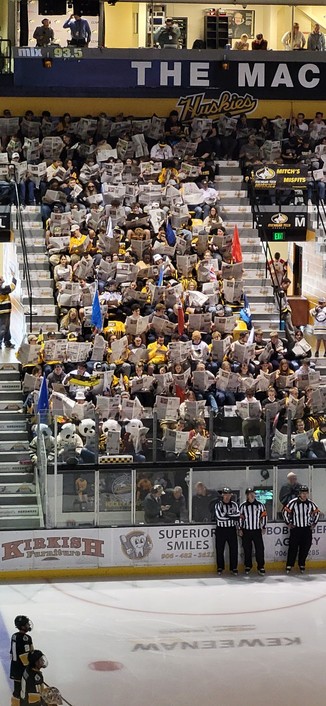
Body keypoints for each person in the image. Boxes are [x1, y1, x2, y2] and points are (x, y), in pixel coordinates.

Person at [283, 485, 320, 574]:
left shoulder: (310, 503)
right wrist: (288, 523)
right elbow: (285, 512)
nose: (304, 495)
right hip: (296, 529)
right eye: (302, 493)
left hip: (306, 529)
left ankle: (301, 564)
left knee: (305, 547)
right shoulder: (293, 502)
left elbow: (317, 512)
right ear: (299, 493)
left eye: (306, 493)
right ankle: (289, 564)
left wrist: (314, 523)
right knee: (293, 547)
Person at [239, 488, 267, 575]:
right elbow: (240, 518)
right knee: (247, 549)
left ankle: (261, 566)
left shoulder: (260, 505)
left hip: (256, 530)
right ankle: (248, 565)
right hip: (246, 530)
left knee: (260, 549)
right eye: (249, 493)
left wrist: (264, 526)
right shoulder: (243, 506)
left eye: (252, 493)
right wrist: (240, 528)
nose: (251, 495)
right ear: (247, 495)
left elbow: (264, 516)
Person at [214, 487, 240, 575]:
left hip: (232, 529)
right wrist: (232, 516)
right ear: (222, 495)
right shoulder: (218, 505)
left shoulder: (234, 504)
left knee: (234, 549)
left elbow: (238, 515)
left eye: (228, 494)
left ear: (231, 495)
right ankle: (220, 567)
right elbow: (219, 517)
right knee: (219, 549)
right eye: (225, 494)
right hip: (221, 529)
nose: (227, 496)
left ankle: (234, 567)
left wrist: (227, 515)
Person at [10, 615, 34, 706]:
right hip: (22, 669)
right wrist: (31, 667)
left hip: (15, 668)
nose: (28, 625)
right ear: (22, 626)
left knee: (17, 690)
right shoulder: (26, 638)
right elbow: (26, 655)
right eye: (27, 624)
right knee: (24, 690)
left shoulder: (14, 636)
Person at [0, 269, 16, 349]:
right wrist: (13, 276)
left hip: (4, 311)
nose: (2, 278)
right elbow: (12, 287)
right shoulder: (2, 289)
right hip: (3, 311)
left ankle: (7, 342)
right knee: (3, 328)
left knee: (6, 327)